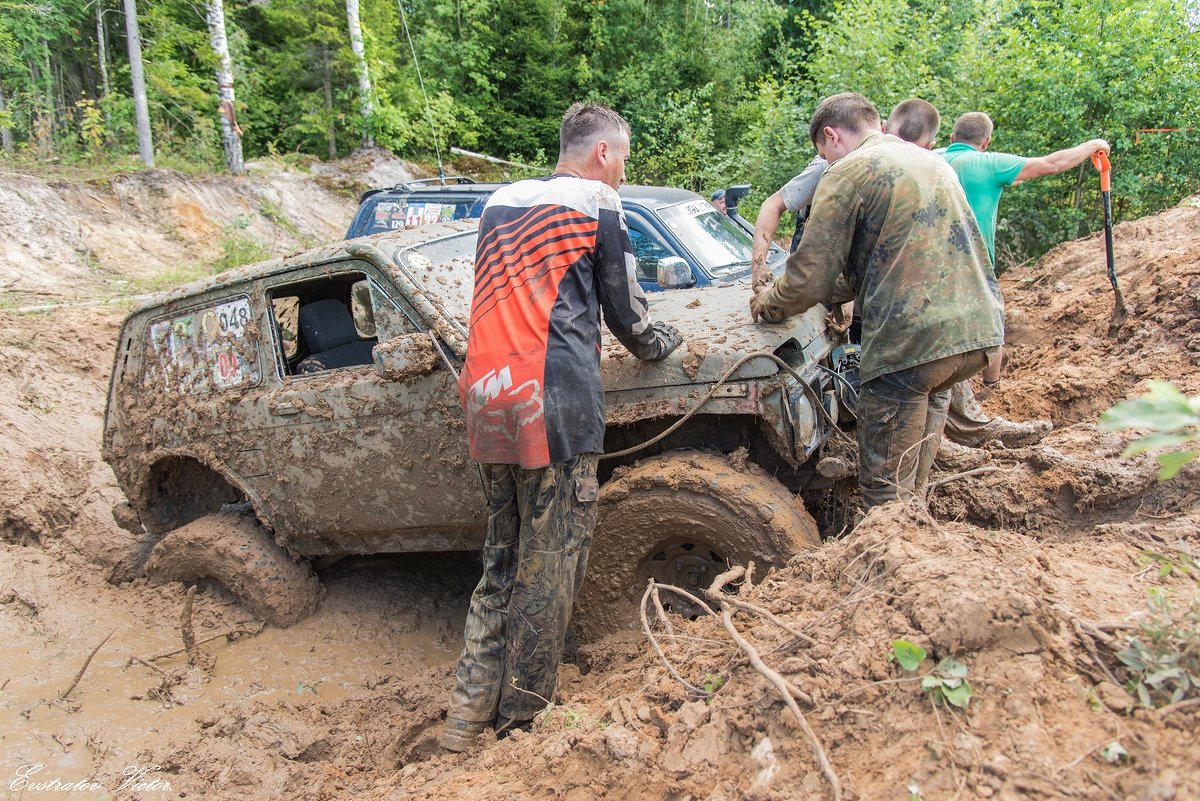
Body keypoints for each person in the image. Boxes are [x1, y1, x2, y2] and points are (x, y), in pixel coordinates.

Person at [442, 102, 683, 752]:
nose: (624, 172)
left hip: (489, 396)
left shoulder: (500, 200)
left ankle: (464, 722)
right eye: (624, 158)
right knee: (548, 570)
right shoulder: (598, 202)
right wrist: (666, 342)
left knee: (501, 562)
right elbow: (628, 315)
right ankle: (521, 732)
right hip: (554, 402)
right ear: (603, 152)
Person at [750, 93, 1004, 510]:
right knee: (914, 470)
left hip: (911, 343)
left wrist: (768, 303)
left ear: (831, 136)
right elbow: (889, 255)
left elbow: (808, 278)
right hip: (975, 332)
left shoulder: (847, 173)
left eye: (823, 154)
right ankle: (916, 532)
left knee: (884, 489)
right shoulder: (931, 161)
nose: (826, 163)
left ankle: (886, 562)